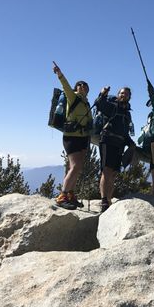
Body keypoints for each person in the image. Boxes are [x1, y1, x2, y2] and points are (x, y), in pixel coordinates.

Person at [52, 61, 92, 209]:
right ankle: (63, 196)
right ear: (76, 88)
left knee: (75, 167)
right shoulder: (72, 97)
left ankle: (70, 194)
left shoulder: (86, 103)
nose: (82, 86)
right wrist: (59, 74)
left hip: (82, 137)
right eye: (79, 85)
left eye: (85, 85)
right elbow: (65, 86)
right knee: (75, 167)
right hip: (72, 137)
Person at [95, 85, 134, 212]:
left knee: (113, 174)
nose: (124, 95)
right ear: (118, 95)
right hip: (107, 140)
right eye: (122, 93)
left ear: (129, 97)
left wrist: (131, 144)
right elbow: (99, 104)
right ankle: (104, 201)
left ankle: (109, 200)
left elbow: (125, 132)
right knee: (106, 171)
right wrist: (103, 93)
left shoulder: (127, 113)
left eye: (127, 94)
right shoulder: (112, 106)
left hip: (120, 144)